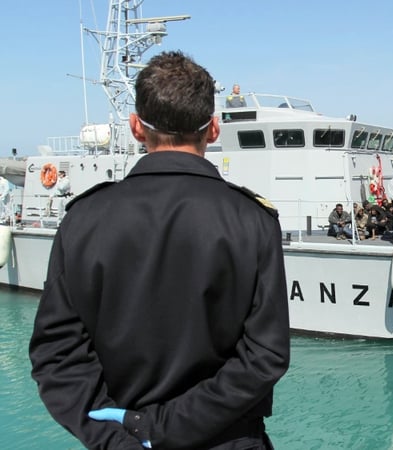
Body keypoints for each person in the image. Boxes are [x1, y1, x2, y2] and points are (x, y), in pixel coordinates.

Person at [29, 51, 290, 450]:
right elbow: (265, 355)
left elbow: (56, 354)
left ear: (136, 127)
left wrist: (118, 438)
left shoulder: (82, 220)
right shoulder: (253, 220)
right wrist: (164, 428)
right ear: (214, 129)